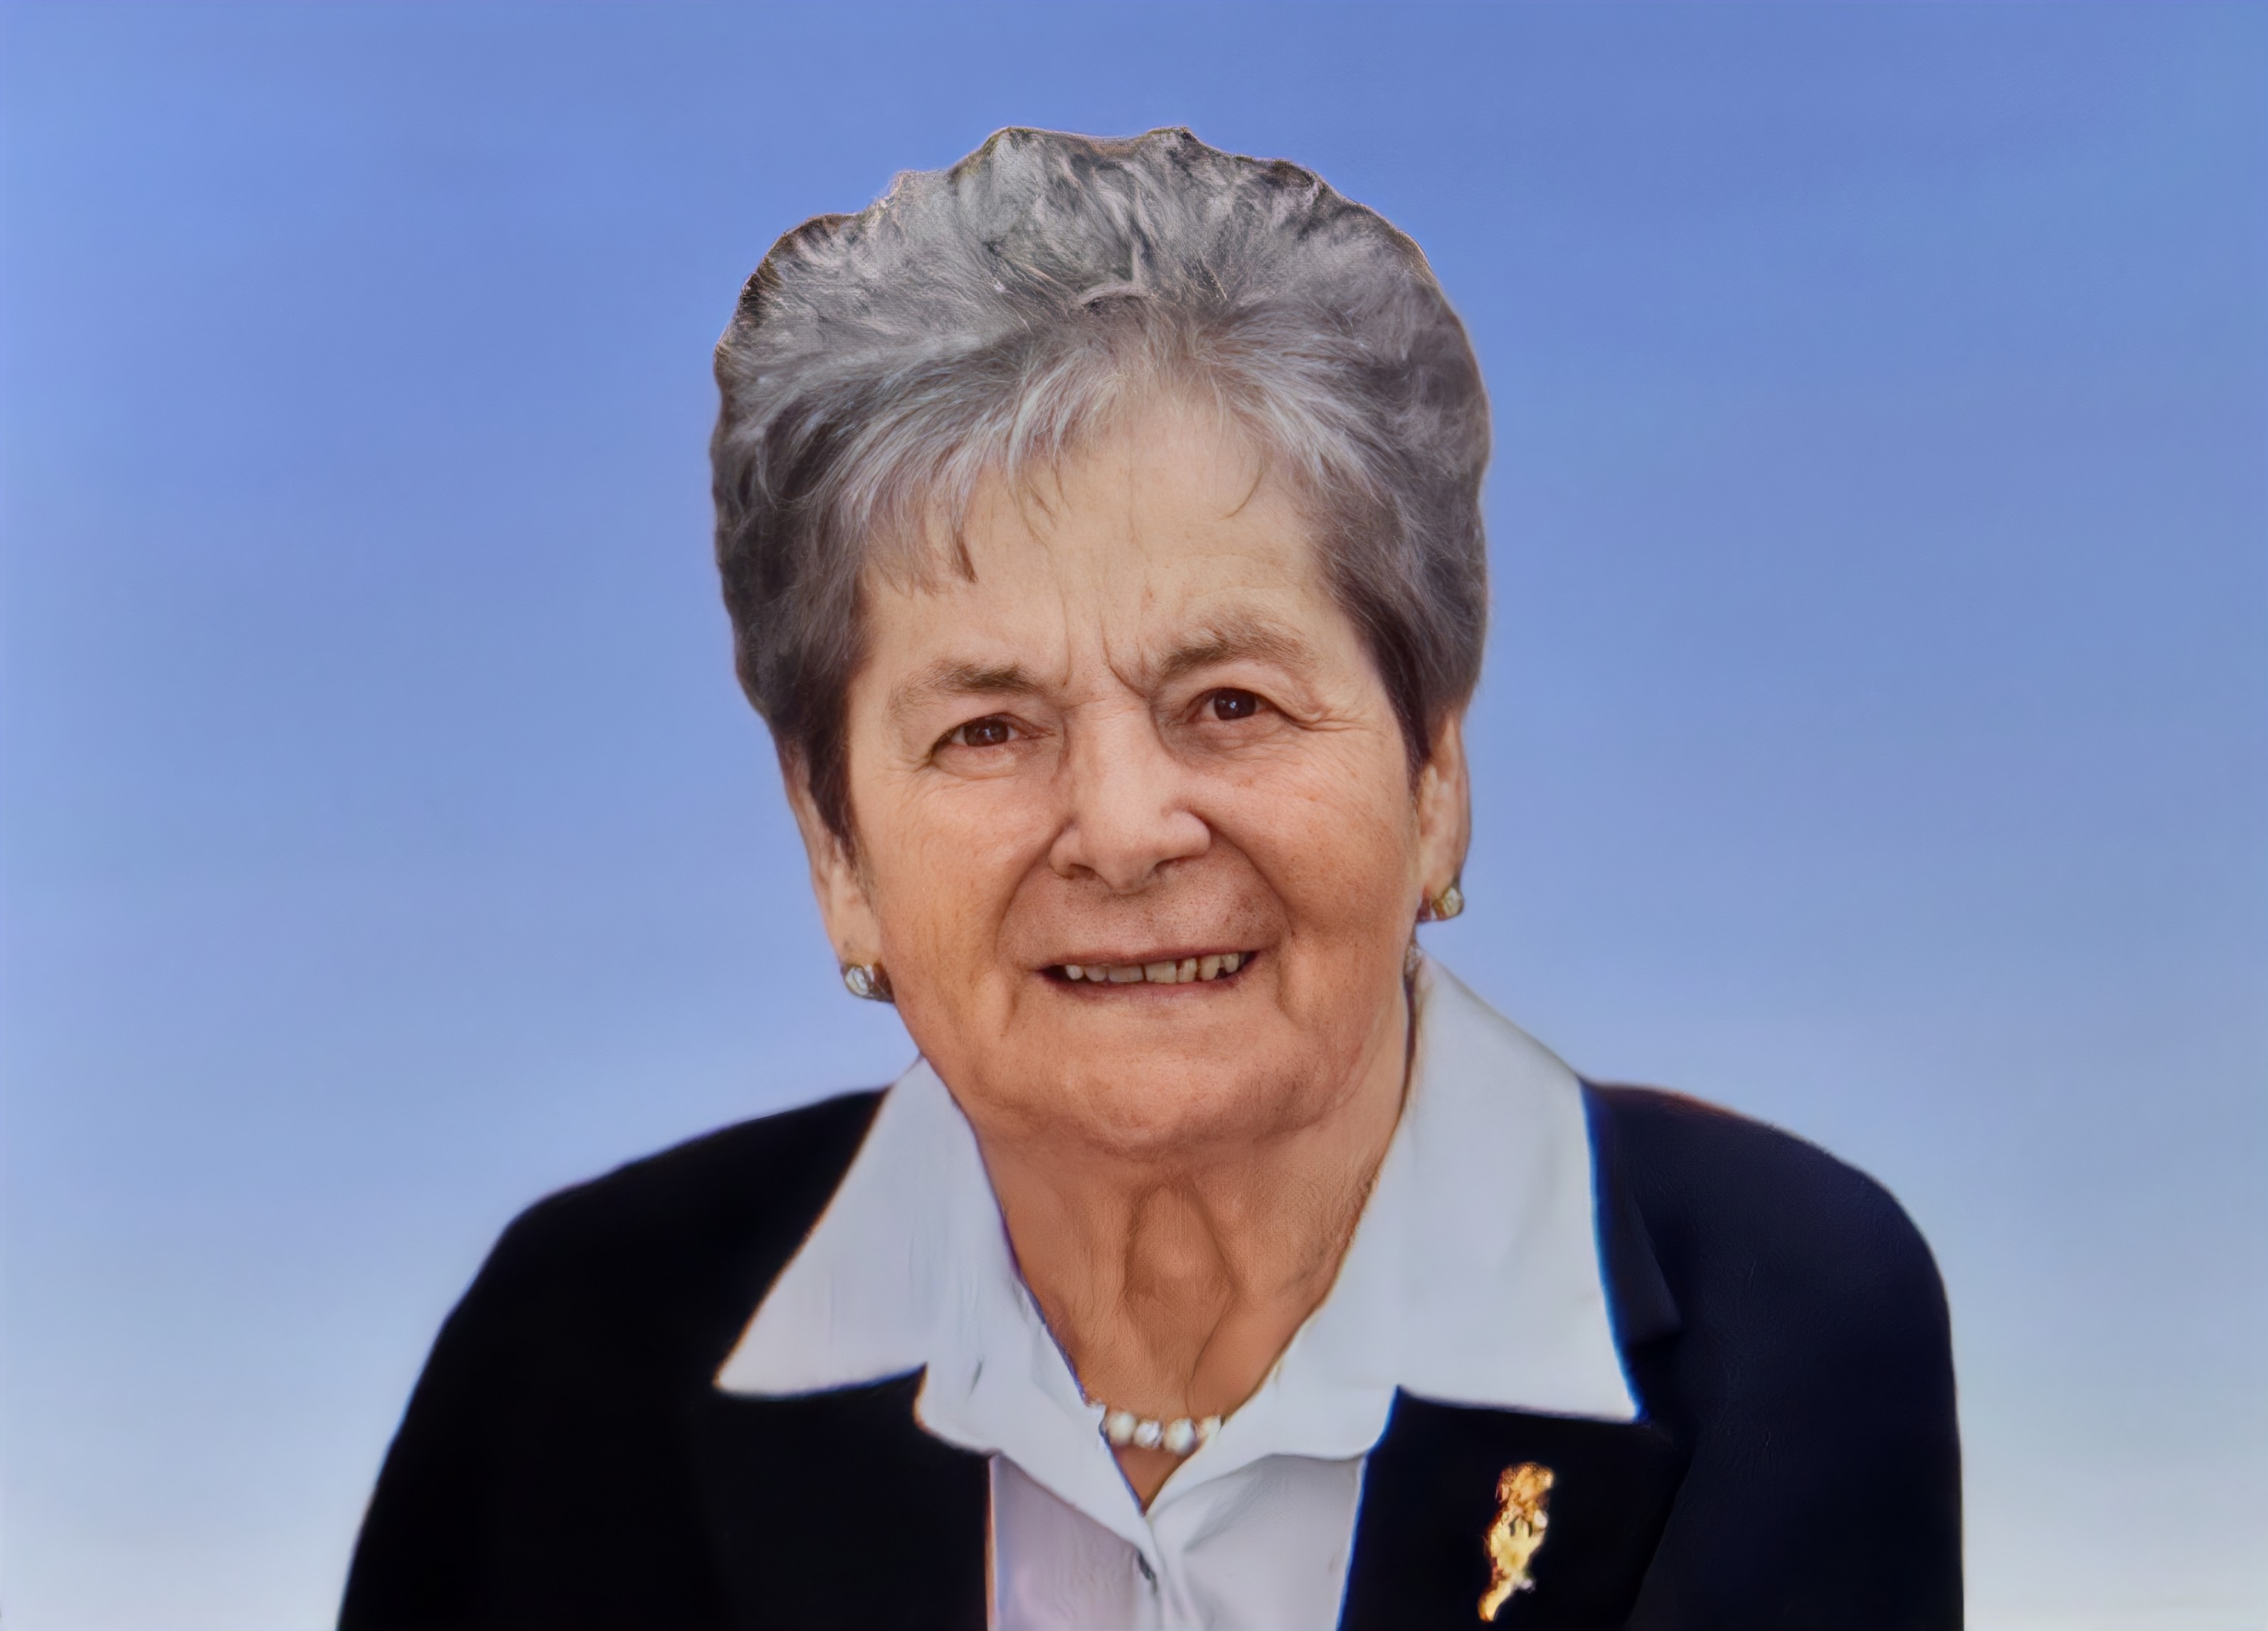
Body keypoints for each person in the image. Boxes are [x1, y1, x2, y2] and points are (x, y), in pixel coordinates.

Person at [339, 127, 1960, 1631]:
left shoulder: (1774, 1315)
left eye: (1229, 703)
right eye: (988, 730)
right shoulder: (581, 1349)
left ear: (1433, 777)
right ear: (837, 847)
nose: (1122, 831)